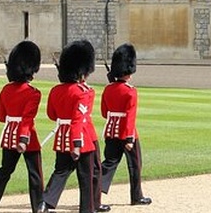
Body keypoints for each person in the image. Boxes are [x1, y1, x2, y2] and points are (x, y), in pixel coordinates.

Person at [37, 40, 110, 213]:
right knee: (88, 174)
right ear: (82, 71)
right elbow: (78, 119)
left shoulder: (56, 90)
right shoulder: (83, 92)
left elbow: (51, 115)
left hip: (62, 136)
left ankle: (44, 203)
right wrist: (76, 144)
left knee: (61, 171)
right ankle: (89, 207)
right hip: (82, 139)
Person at [0, 40, 44, 213]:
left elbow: (1, 117)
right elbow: (27, 119)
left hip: (8, 135)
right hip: (27, 136)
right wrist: (23, 138)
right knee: (35, 173)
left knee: (5, 170)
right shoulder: (33, 93)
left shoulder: (6, 90)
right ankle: (39, 207)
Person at [100, 44, 152, 207]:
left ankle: (93, 193)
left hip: (110, 130)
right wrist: (129, 138)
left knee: (109, 164)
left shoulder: (108, 89)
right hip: (126, 133)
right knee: (135, 165)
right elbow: (130, 116)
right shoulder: (130, 91)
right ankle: (136, 197)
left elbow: (104, 112)